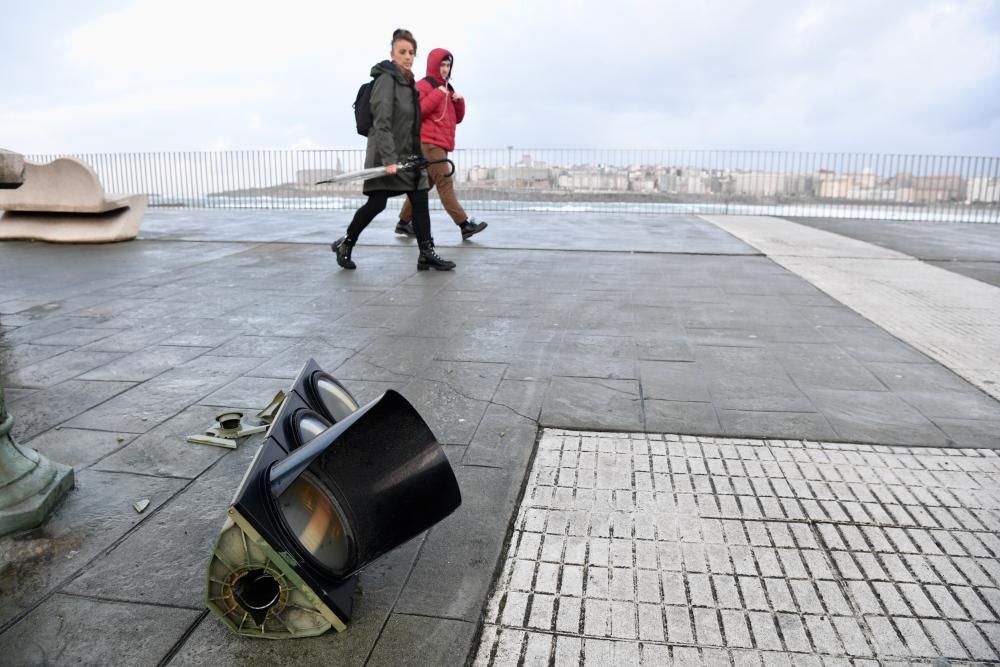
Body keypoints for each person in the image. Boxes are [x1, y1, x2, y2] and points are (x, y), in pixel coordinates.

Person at [333, 29, 455, 271]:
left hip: (410, 157)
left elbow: (410, 125)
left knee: (420, 199)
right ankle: (346, 243)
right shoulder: (386, 80)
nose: (408, 56)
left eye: (411, 52)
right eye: (403, 52)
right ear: (392, 54)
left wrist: (417, 155)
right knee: (376, 204)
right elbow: (382, 122)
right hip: (386, 156)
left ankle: (426, 252)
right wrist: (389, 160)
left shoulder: (408, 82)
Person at [395, 47, 487, 241]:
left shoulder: (447, 88)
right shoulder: (424, 85)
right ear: (434, 65)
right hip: (429, 143)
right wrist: (438, 94)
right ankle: (464, 225)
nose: (445, 68)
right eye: (442, 64)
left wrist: (459, 102)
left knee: (424, 185)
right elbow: (417, 112)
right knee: (445, 182)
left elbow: (456, 119)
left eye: (448, 65)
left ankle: (403, 223)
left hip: (439, 144)